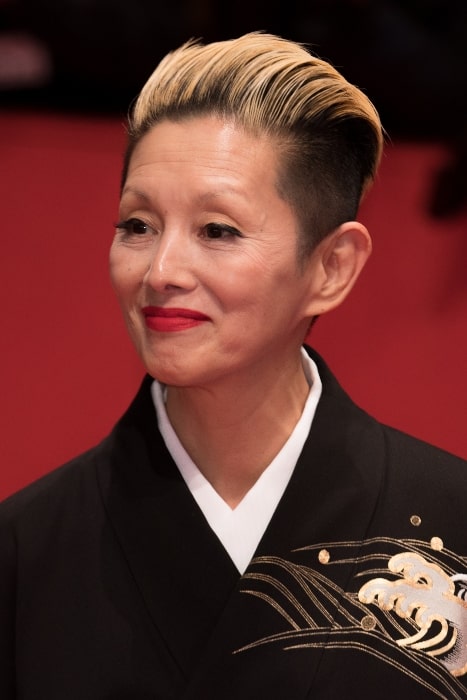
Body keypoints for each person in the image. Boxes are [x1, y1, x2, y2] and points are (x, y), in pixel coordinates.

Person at [1, 32, 467, 699]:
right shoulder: (24, 553)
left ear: (331, 266)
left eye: (217, 230)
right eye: (137, 225)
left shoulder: (452, 527)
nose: (161, 271)